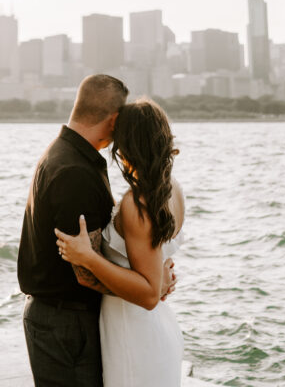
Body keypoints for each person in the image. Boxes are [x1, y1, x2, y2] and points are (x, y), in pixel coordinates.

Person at [17, 76, 176, 387]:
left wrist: (153, 271)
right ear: (114, 119)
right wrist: (151, 287)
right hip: (66, 322)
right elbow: (84, 272)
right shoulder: (76, 171)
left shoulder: (64, 153)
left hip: (60, 317)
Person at [55, 98, 185, 387]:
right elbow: (154, 258)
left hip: (133, 333)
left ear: (126, 145)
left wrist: (88, 257)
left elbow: (150, 294)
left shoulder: (137, 203)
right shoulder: (172, 189)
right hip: (157, 330)